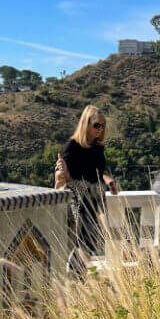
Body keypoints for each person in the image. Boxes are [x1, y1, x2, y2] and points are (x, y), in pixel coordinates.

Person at [54, 105, 119, 274]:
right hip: (78, 198)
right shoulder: (72, 146)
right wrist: (60, 175)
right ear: (86, 124)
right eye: (97, 125)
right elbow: (62, 176)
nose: (101, 129)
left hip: (94, 199)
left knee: (90, 241)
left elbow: (101, 170)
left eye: (103, 125)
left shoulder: (98, 147)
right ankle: (75, 277)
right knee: (80, 241)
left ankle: (78, 277)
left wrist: (110, 182)